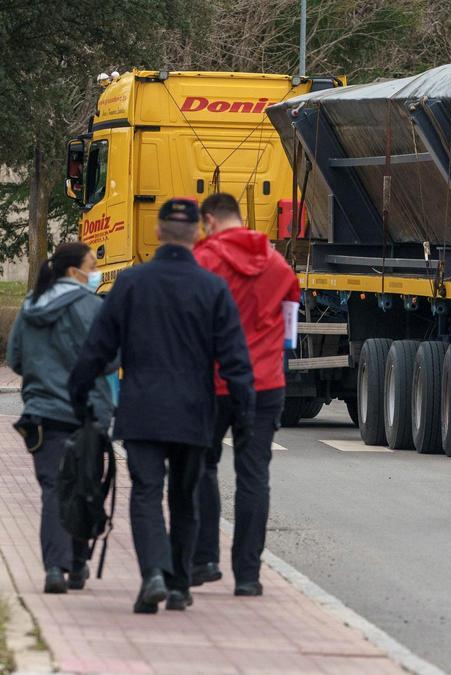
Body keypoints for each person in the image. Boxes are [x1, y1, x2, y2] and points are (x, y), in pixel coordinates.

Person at [69, 198, 255, 614]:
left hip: (142, 410)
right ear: (197, 234)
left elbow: (98, 346)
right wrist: (244, 412)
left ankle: (152, 572)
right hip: (194, 413)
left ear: (157, 233)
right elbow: (235, 358)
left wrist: (78, 393)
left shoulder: (132, 283)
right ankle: (177, 585)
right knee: (184, 498)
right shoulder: (212, 288)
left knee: (147, 494)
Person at [192, 192, 299, 596]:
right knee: (254, 476)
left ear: (210, 221)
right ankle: (249, 576)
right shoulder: (279, 265)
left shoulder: (204, 261)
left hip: (214, 383)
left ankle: (204, 559)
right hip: (266, 384)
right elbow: (290, 331)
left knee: (202, 467)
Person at [6, 242, 113, 594]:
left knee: (54, 488)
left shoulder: (29, 307)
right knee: (85, 486)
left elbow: (16, 360)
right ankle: (79, 564)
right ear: (74, 271)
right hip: (87, 413)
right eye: (92, 264)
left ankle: (55, 567)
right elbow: (111, 360)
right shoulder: (93, 307)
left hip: (42, 414)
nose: (95, 270)